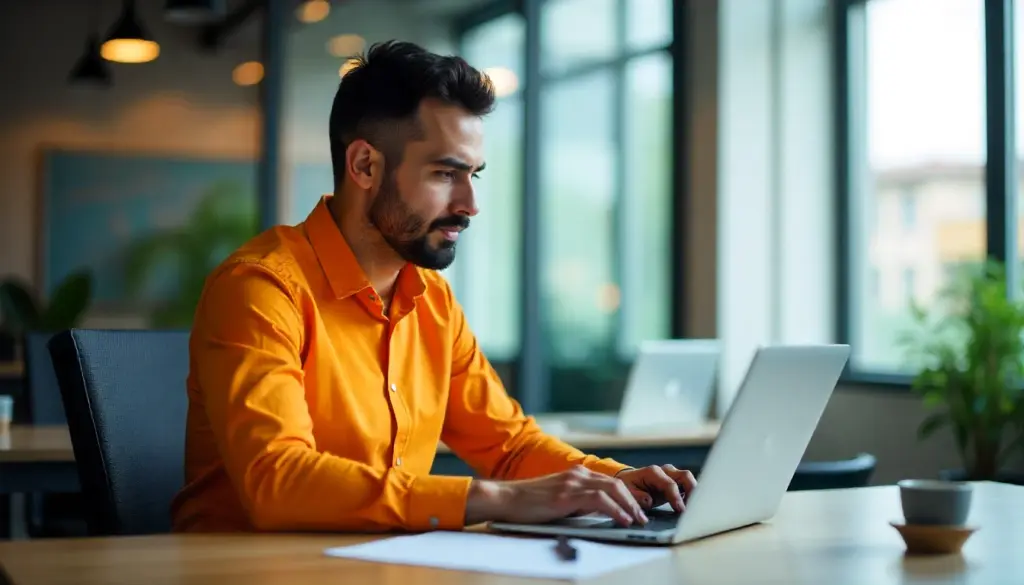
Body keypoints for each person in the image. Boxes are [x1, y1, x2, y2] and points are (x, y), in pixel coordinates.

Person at [170, 40, 696, 533]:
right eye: (446, 174)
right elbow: (277, 480)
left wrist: (611, 478)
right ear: (364, 165)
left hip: (386, 562)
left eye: (474, 175)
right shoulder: (261, 288)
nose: (470, 205)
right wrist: (500, 500)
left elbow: (508, 446)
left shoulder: (431, 299)